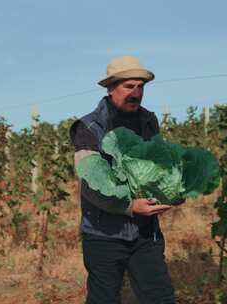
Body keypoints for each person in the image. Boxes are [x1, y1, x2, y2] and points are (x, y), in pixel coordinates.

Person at [70, 56, 177, 304]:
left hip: (145, 233)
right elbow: (91, 185)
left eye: (141, 86)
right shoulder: (89, 127)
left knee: (160, 297)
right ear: (110, 88)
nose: (136, 93)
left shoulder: (148, 120)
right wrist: (129, 207)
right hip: (103, 233)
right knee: (103, 299)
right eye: (129, 86)